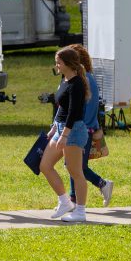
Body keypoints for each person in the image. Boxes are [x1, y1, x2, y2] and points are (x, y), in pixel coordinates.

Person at [39, 46, 91, 223]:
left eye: (59, 62)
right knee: (45, 165)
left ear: (68, 64)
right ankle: (65, 202)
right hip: (61, 128)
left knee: (75, 172)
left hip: (73, 131)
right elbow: (62, 107)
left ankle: (81, 212)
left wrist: (64, 135)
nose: (57, 66)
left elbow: (74, 113)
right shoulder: (65, 80)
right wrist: (54, 127)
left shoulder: (77, 84)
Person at [67, 44, 113, 207]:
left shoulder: (86, 80)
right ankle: (73, 198)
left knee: (77, 166)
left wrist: (77, 128)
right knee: (73, 165)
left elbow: (87, 109)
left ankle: (103, 184)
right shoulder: (83, 78)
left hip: (83, 129)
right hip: (82, 128)